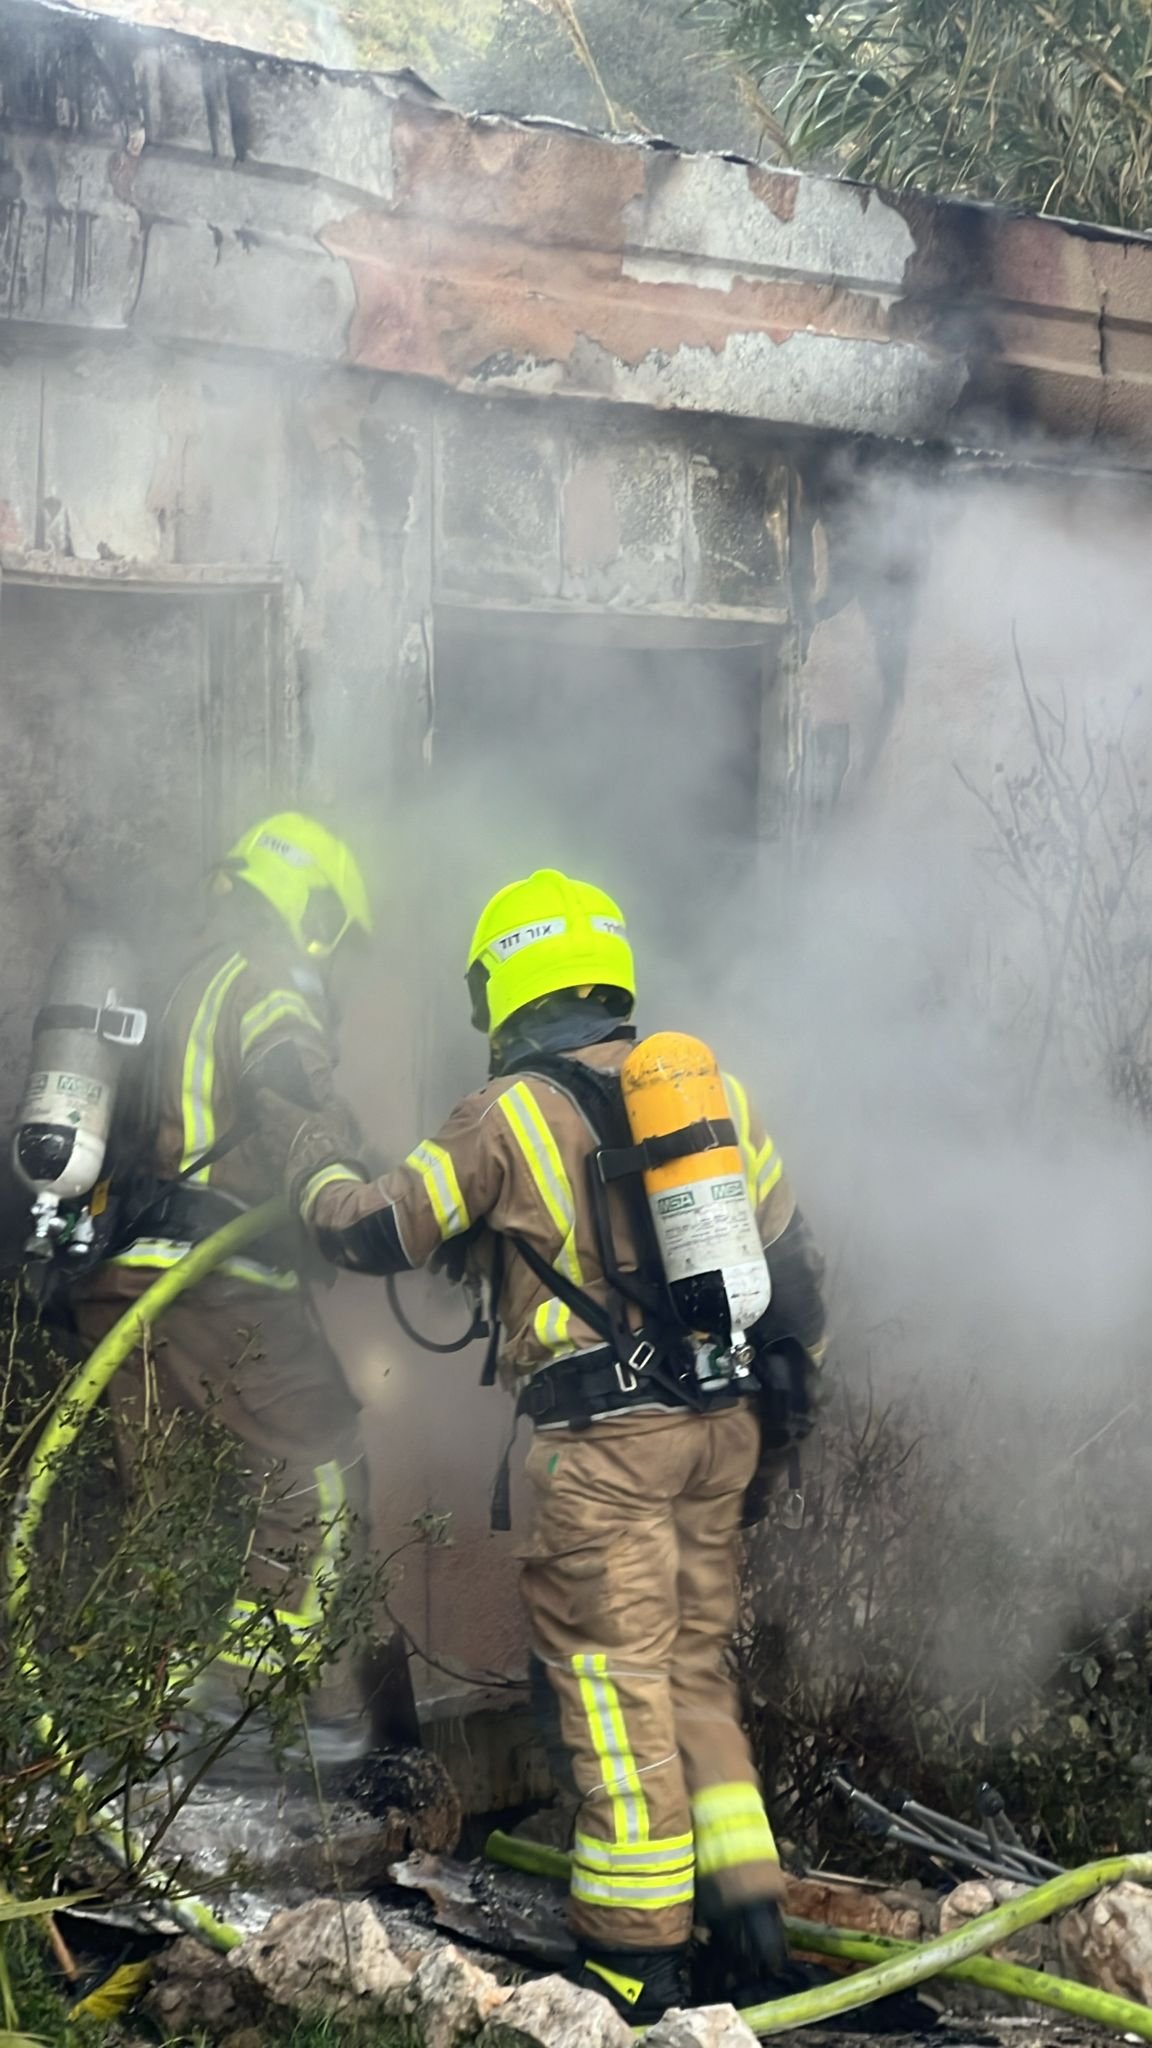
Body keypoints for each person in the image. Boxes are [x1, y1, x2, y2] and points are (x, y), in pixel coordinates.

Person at [272, 868, 827, 2020]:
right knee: (692, 1673)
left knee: (613, 1692)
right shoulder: (708, 1087)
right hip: (720, 1430)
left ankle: (636, 1960)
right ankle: (750, 1923)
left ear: (507, 988)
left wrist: (312, 1167)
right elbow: (797, 1274)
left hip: (607, 1445)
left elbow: (383, 1224)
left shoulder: (506, 1113)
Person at [71, 812, 384, 1776]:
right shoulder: (267, 974)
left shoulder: (180, 979)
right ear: (311, 903)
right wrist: (353, 1189)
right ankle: (286, 1711)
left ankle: (146, 1743)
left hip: (124, 1286)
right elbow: (293, 1089)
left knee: (167, 1513)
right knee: (323, 1469)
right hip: (223, 1280)